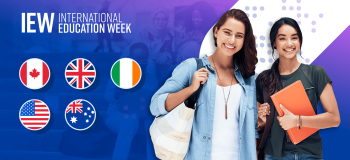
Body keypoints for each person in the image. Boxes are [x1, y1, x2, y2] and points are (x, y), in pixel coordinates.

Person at [150, 9, 259, 160]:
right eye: (227, 32)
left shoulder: (248, 77)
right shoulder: (191, 67)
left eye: (239, 35)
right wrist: (191, 89)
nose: (232, 40)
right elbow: (156, 105)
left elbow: (252, 129)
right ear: (216, 32)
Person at [256, 17, 341, 160]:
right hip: (274, 155)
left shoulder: (316, 73)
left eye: (294, 38)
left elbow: (334, 118)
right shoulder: (263, 79)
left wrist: (297, 120)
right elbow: (258, 126)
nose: (289, 43)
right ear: (274, 43)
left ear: (300, 41)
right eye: (282, 38)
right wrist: (261, 119)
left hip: (309, 154)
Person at [105, 43, 159, 160]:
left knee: (151, 124)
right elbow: (107, 97)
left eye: (143, 59)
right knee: (131, 120)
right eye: (136, 59)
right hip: (117, 116)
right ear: (130, 59)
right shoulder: (118, 75)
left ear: (148, 60)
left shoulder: (152, 79)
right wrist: (117, 93)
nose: (139, 62)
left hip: (143, 117)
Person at [120, 6, 174, 86]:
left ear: (167, 20)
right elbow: (137, 49)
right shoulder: (143, 29)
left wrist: (166, 56)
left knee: (169, 68)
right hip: (136, 57)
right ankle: (149, 88)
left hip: (155, 59)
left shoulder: (168, 34)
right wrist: (155, 53)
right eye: (157, 19)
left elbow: (168, 50)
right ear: (153, 19)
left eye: (164, 19)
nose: (161, 22)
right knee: (150, 63)